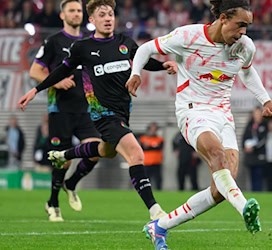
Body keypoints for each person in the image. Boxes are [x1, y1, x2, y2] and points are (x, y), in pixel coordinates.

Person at [127, 0, 272, 248]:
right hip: (192, 110)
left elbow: (246, 71)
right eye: (240, 25)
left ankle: (159, 226)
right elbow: (146, 49)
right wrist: (136, 73)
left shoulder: (245, 46)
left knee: (220, 190)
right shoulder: (188, 36)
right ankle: (244, 207)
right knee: (216, 154)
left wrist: (265, 100)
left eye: (247, 26)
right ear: (223, 18)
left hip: (224, 115)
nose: (243, 32)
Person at [18, 0, 177, 224]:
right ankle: (155, 211)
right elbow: (61, 71)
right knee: (136, 154)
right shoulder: (82, 48)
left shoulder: (124, 42)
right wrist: (35, 90)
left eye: (110, 14)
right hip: (101, 113)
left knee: (106, 150)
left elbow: (142, 61)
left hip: (123, 112)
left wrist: (163, 65)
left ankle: (66, 158)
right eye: (102, 15)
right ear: (92, 20)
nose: (108, 18)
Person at [29, 0, 103, 222]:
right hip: (60, 109)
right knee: (63, 160)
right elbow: (35, 71)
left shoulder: (90, 42)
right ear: (62, 15)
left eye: (79, 10)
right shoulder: (53, 42)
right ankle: (53, 203)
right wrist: (56, 83)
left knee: (97, 150)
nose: (76, 14)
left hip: (86, 108)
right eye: (71, 10)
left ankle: (71, 184)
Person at [242, 107, 267, 191]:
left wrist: (254, 148)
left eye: (258, 113)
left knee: (258, 175)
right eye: (255, 113)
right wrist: (244, 147)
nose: (256, 115)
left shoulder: (264, 125)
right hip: (250, 156)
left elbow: (263, 140)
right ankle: (253, 191)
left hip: (259, 155)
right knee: (251, 175)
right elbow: (244, 137)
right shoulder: (249, 125)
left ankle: (258, 191)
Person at [139, 122, 164, 190]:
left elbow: (159, 147)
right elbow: (143, 148)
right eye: (151, 129)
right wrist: (153, 146)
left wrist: (149, 146)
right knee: (146, 179)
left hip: (156, 162)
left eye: (155, 129)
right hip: (146, 162)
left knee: (158, 179)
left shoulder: (160, 139)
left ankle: (159, 191)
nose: (153, 131)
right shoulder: (143, 138)